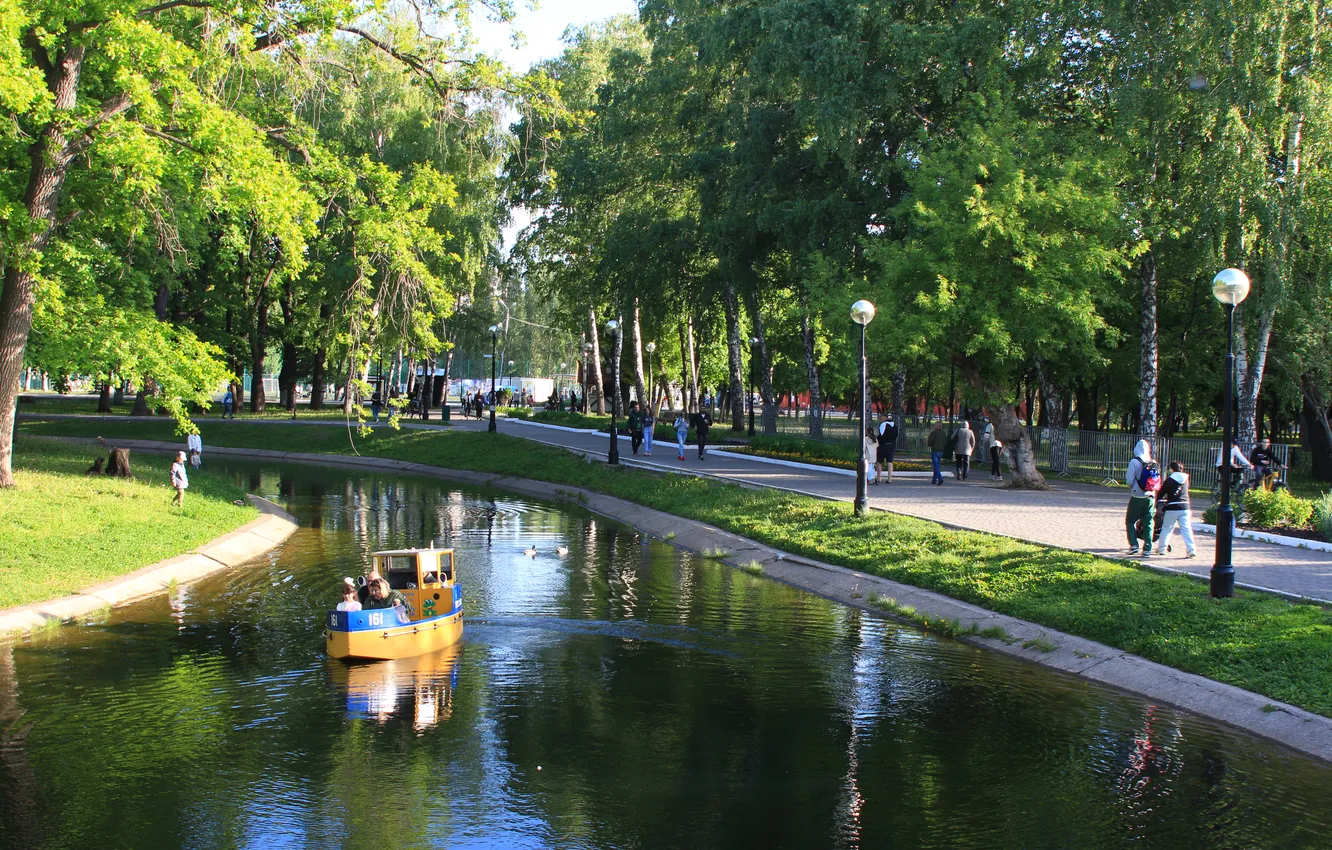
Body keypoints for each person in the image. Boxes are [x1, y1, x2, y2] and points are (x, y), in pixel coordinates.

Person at [1154, 460, 1197, 559]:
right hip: (1185, 507)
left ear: (1171, 469)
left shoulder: (1170, 480)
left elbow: (1161, 493)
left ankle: (1162, 549)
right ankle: (1191, 550)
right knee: (1186, 529)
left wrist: (1159, 499)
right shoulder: (1186, 479)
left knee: (1167, 529)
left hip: (1172, 507)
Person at [1125, 439, 1161, 556]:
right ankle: (1147, 549)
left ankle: (1134, 545)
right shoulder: (1153, 462)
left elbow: (1129, 480)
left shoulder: (1134, 462)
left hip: (1137, 496)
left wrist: (1134, 487)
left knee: (1130, 520)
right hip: (1150, 496)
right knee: (1148, 522)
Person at [874, 412, 898, 484]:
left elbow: (881, 435)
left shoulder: (883, 424)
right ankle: (889, 478)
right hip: (892, 445)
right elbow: (896, 435)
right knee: (890, 462)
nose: (880, 419)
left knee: (879, 461)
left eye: (880, 418)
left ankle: (879, 478)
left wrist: (877, 441)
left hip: (883, 445)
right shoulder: (894, 424)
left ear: (884, 417)